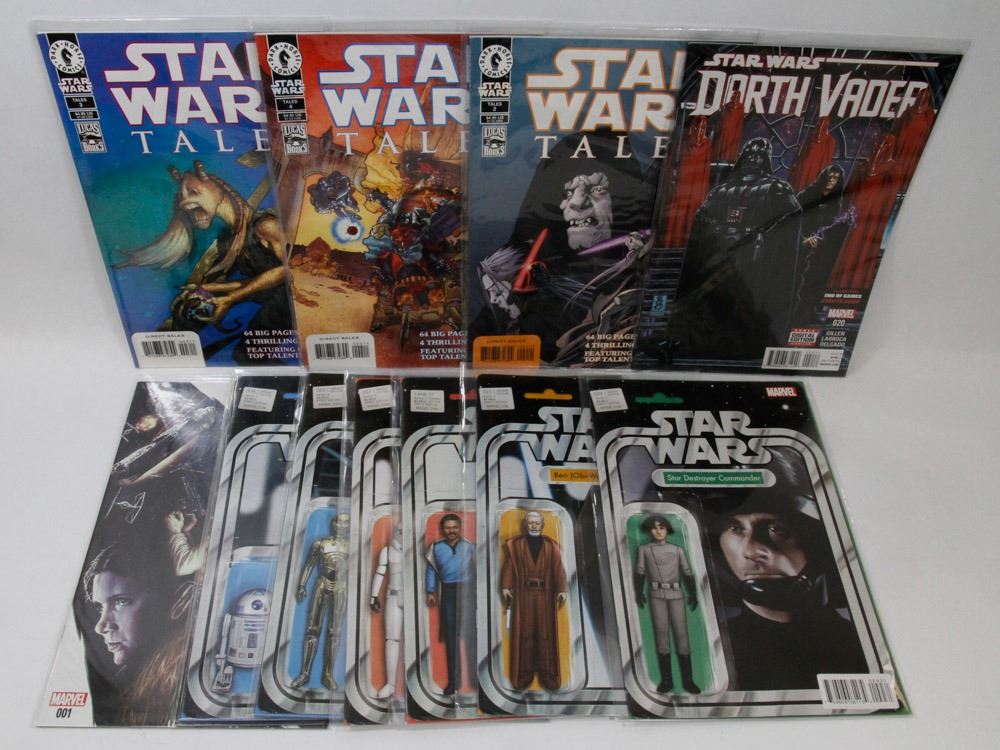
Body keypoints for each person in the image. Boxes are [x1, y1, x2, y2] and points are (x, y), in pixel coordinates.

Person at [708, 450, 869, 691]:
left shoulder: (859, 646)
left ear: (814, 537)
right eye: (735, 528)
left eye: (776, 528)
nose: (751, 550)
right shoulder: (712, 650)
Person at [80, 541, 188, 725]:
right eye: (100, 608)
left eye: (121, 601)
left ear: (165, 601)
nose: (101, 626)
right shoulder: (130, 679)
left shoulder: (179, 678)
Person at [500, 511, 568, 690]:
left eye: (537, 523)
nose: (534, 526)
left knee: (546, 634)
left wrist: (562, 589)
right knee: (525, 634)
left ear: (542, 525)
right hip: (524, 596)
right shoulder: (517, 545)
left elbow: (558, 568)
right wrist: (506, 586)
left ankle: (548, 675)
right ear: (526, 524)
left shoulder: (551, 546)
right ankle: (524, 675)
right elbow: (509, 565)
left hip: (545, 596)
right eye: (531, 523)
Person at [633, 515, 700, 694]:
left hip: (677, 593)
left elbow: (687, 571)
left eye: (661, 527)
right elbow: (640, 571)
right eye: (655, 528)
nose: (658, 531)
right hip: (656, 594)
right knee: (662, 635)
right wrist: (638, 591)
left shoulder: (677, 550)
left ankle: (688, 680)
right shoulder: (644, 549)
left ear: (667, 529)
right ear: (650, 530)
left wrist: (693, 593)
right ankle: (667, 679)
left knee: (682, 635)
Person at [291, 513, 350, 691]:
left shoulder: (353, 546)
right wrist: (302, 584)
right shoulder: (321, 543)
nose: (342, 526)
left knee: (335, 632)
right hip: (321, 585)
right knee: (312, 629)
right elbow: (309, 564)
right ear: (333, 524)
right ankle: (305, 673)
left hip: (341, 587)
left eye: (346, 523)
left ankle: (328, 674)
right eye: (339, 522)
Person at [425, 514, 476, 696]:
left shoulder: (470, 547)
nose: (451, 531)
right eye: (448, 527)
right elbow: (431, 570)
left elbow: (478, 570)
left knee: (470, 636)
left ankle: (474, 680)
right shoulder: (436, 548)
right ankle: (454, 682)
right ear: (443, 529)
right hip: (447, 592)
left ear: (460, 527)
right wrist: (430, 591)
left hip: (467, 592)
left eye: (455, 527)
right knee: (451, 638)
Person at [369, 524, 403, 699]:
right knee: (392, 639)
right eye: (400, 531)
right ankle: (391, 684)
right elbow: (380, 573)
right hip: (394, 596)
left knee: (417, 639)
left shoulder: (418, 549)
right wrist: (373, 596)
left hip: (413, 597)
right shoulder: (388, 551)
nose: (402, 534)